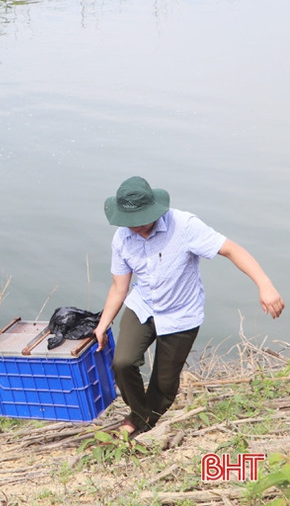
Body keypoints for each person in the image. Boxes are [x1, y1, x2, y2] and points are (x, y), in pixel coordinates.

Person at [93, 176, 284, 436]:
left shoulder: (184, 226)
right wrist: (103, 325)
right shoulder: (122, 238)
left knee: (164, 384)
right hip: (143, 306)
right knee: (123, 363)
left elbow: (232, 250)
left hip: (181, 312)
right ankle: (139, 417)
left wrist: (265, 284)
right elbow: (119, 287)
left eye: (141, 220)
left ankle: (141, 424)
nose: (135, 227)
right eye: (129, 222)